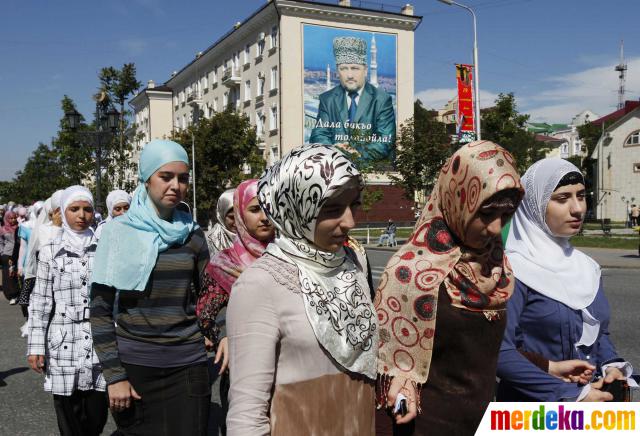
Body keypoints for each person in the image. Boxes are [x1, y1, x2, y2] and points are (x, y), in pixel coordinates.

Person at [226, 144, 378, 435]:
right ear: (297, 207)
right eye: (332, 209)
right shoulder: (260, 284)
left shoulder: (352, 263)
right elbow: (246, 415)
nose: (350, 222)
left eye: (354, 204)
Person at [375, 141, 524, 435]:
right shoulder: (410, 271)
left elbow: (480, 353)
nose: (496, 228)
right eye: (486, 214)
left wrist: (550, 367)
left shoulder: (495, 264)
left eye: (505, 216)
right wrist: (402, 404)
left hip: (479, 425)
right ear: (457, 199)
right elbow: (395, 372)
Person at [90, 139, 210, 436]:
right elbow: (100, 310)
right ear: (146, 179)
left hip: (188, 365)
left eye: (183, 178)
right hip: (136, 366)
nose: (175, 186)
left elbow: (210, 296)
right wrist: (114, 375)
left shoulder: (193, 235)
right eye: (165, 176)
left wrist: (223, 334)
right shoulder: (119, 232)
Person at [497, 158, 635, 402]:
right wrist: (573, 395)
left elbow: (598, 334)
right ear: (534, 205)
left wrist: (611, 366)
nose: (577, 208)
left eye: (581, 196)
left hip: (590, 407)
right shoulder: (513, 269)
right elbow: (501, 352)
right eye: (562, 199)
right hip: (532, 411)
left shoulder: (587, 267)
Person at [27, 186, 108, 436]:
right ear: (63, 212)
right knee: (68, 413)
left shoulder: (105, 248)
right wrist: (36, 346)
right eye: (74, 209)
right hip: (62, 341)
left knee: (97, 413)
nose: (81, 215)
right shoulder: (51, 251)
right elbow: (40, 301)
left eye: (87, 209)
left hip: (99, 339)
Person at [196, 179, 274, 436]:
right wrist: (226, 331)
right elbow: (208, 311)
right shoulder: (224, 262)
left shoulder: (293, 255)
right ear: (240, 214)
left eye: (269, 208)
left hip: (290, 367)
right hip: (242, 366)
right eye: (254, 210)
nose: (264, 218)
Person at [309, 36, 396, 161]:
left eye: (355, 68)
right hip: (335, 171)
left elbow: (385, 140)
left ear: (365, 70)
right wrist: (335, 151)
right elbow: (319, 134)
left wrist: (355, 154)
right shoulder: (327, 99)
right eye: (344, 69)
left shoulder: (381, 100)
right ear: (337, 71)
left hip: (371, 170)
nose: (349, 75)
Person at [204, 188, 236, 256]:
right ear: (222, 216)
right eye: (232, 217)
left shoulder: (252, 235)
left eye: (240, 217)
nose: (236, 223)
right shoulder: (211, 240)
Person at [0, 211, 20, 304]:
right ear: (7, 219)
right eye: (10, 218)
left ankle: (22, 293)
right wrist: (2, 252)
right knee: (9, 276)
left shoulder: (20, 227)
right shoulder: (3, 229)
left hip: (19, 254)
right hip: (7, 255)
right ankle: (12, 295)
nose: (13, 220)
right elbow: (1, 242)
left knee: (19, 274)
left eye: (14, 218)